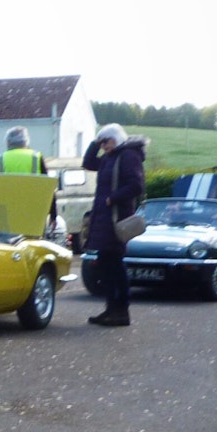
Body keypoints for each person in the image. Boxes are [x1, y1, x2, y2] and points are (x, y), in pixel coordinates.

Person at [82, 123, 149, 327]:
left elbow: (136, 185)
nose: (103, 146)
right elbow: (88, 162)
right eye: (101, 142)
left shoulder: (128, 155)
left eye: (106, 141)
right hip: (105, 219)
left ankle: (120, 311)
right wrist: (94, 141)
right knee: (107, 265)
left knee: (114, 266)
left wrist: (113, 198)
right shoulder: (110, 158)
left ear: (117, 138)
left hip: (116, 219)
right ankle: (112, 309)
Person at [0, 125, 58, 220]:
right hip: (33, 210)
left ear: (8, 142)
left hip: (7, 212)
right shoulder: (36, 157)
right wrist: (53, 215)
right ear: (26, 142)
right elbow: (48, 187)